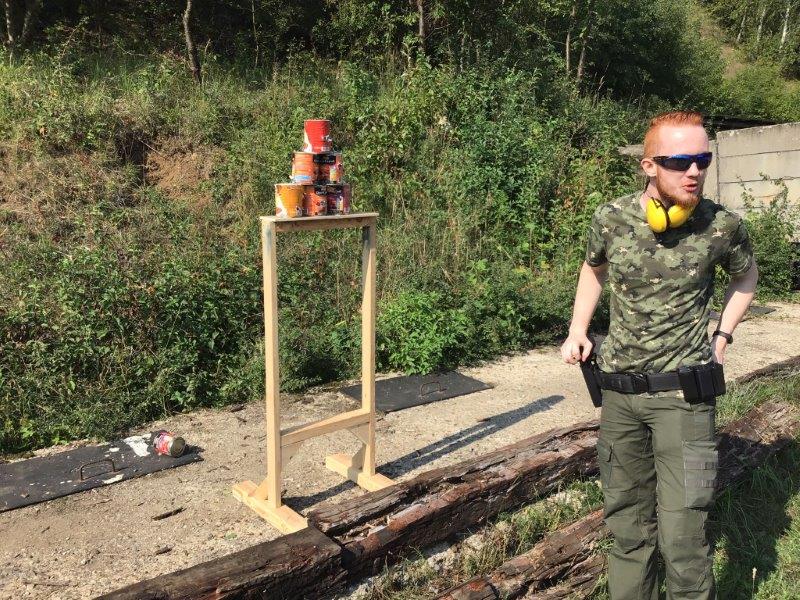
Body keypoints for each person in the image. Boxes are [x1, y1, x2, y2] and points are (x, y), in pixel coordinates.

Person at [560, 110, 758, 600]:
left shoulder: (722, 225)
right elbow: (593, 269)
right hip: (619, 399)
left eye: (703, 160)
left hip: (685, 402)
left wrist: (722, 335)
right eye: (679, 161)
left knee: (684, 537)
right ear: (649, 166)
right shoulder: (611, 217)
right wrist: (578, 329)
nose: (694, 171)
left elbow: (745, 276)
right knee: (627, 531)